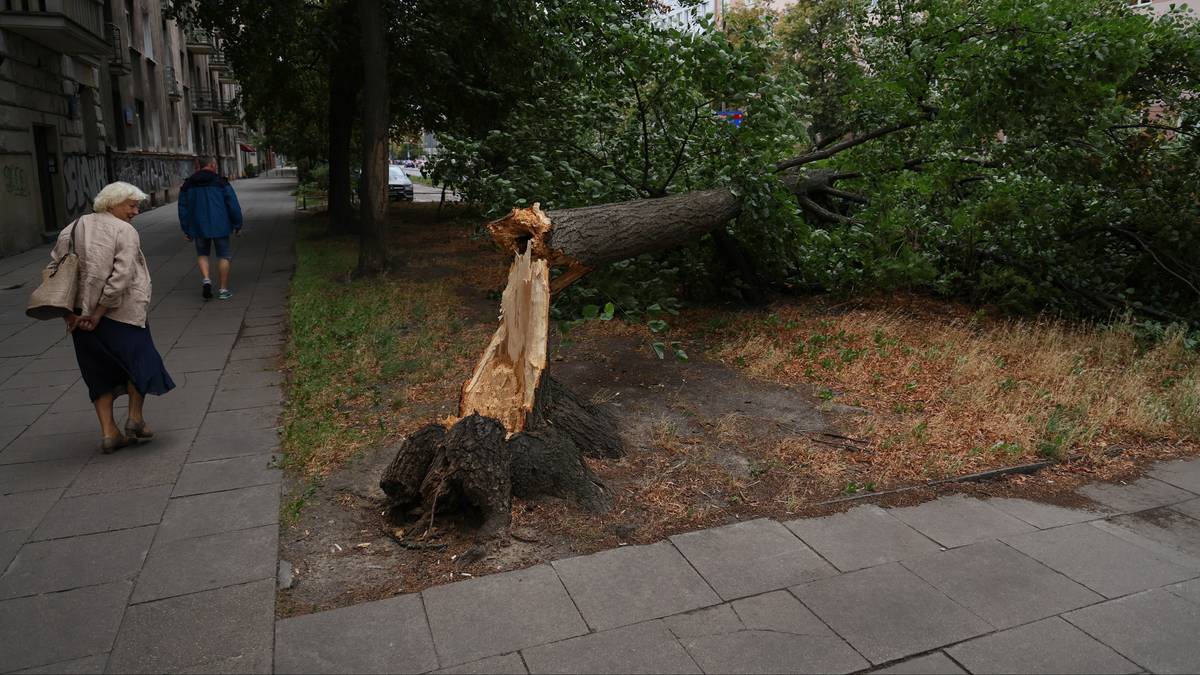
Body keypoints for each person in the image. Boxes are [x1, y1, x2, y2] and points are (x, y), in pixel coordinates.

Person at [53, 182, 176, 453]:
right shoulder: (125, 231)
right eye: (130, 205)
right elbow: (119, 279)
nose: (135, 211)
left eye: (137, 206)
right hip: (122, 314)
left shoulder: (71, 228)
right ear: (111, 203)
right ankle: (135, 418)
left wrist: (69, 315)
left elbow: (57, 274)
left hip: (80, 317)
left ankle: (109, 433)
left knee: (97, 372)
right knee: (139, 362)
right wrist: (98, 313)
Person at [178, 156, 243, 300]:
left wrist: (186, 229)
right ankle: (223, 289)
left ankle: (206, 279)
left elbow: (183, 208)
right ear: (213, 165)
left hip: (198, 225)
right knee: (224, 255)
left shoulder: (188, 184)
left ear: (198, 166)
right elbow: (233, 205)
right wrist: (238, 224)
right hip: (221, 225)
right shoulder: (221, 182)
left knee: (202, 254)